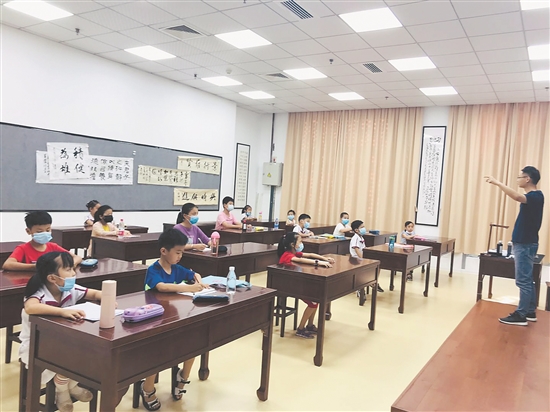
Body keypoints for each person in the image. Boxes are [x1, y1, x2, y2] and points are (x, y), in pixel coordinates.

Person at [19, 252, 100, 412]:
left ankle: (71, 385)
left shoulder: (70, 289)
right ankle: (62, 390)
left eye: (73, 268)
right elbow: (30, 307)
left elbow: (93, 293)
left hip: (64, 340)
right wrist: (62, 312)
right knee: (72, 354)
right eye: (68, 269)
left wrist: (105, 296)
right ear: (52, 278)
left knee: (90, 351)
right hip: (37, 345)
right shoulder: (40, 293)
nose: (74, 273)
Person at [140, 229, 209, 410]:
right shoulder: (153, 269)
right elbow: (162, 287)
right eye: (177, 252)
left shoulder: (177, 268)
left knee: (193, 345)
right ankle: (147, 387)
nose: (180, 256)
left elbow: (192, 274)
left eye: (182, 253)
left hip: (173, 318)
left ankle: (182, 379)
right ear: (164, 251)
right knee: (158, 351)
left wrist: (198, 280)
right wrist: (189, 288)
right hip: (155, 321)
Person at [485, 166, 544, 326]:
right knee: (527, 279)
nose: (518, 180)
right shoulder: (534, 197)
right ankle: (530, 311)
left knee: (523, 280)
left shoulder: (536, 196)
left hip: (525, 243)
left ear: (527, 179)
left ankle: (521, 315)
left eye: (520, 177)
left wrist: (497, 183)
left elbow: (517, 197)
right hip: (525, 242)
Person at [277, 232, 334, 339]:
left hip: (296, 282)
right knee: (313, 302)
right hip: (288, 285)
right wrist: (319, 263)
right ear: (292, 244)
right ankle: (301, 329)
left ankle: (310, 325)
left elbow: (310, 255)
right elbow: (300, 260)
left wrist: (324, 259)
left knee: (316, 299)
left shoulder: (294, 252)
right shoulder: (288, 255)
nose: (301, 243)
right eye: (300, 241)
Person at [2, 211, 82, 271]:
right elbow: (7, 264)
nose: (45, 233)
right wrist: (34, 267)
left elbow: (77, 257)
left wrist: (71, 264)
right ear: (28, 231)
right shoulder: (23, 248)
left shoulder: (53, 247)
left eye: (48, 230)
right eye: (39, 232)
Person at [350, 220, 384, 293]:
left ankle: (373, 282)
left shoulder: (361, 237)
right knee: (368, 267)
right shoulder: (355, 238)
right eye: (362, 227)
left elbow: (364, 249)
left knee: (378, 264)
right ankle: (362, 287)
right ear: (356, 230)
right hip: (356, 259)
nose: (364, 228)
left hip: (362, 257)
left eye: (364, 227)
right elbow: (357, 250)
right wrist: (364, 259)